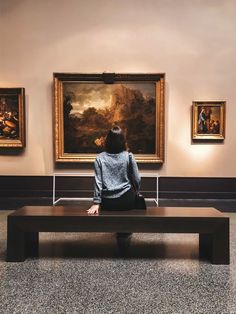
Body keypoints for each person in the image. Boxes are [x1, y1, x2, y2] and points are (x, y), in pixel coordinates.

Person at [87, 125, 141, 215]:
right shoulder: (129, 156)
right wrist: (137, 191)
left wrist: (96, 203)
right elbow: (137, 179)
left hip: (107, 202)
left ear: (107, 141)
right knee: (126, 223)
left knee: (109, 224)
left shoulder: (99, 158)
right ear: (123, 141)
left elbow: (98, 182)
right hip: (127, 199)